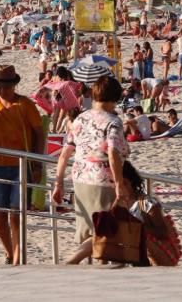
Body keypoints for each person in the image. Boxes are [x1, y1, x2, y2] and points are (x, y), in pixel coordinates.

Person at [52, 75, 128, 265]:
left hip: (79, 178)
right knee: (106, 229)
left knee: (92, 228)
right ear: (114, 98)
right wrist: (119, 184)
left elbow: (64, 153)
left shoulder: (79, 119)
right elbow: (112, 152)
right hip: (102, 179)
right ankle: (72, 260)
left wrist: (58, 183)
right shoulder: (113, 121)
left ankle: (97, 268)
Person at [0, 64, 45, 265]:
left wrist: (36, 163)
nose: (2, 91)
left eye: (6, 87)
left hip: (21, 165)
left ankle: (18, 258)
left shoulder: (24, 104)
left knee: (16, 215)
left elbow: (39, 133)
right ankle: (10, 253)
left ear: (14, 86)